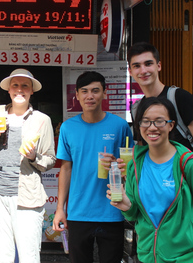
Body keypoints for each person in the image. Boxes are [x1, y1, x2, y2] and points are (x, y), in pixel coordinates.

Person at [107, 96, 193, 263]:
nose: (152, 128)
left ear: (171, 125)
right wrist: (126, 206)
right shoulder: (134, 165)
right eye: (145, 121)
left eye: (159, 121)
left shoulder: (190, 164)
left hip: (190, 257)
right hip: (148, 256)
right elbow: (134, 216)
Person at [52, 71, 134, 263]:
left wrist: (118, 165)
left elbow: (131, 169)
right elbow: (66, 168)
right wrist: (60, 209)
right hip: (79, 211)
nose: (90, 96)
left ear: (104, 93)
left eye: (96, 91)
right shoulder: (67, 127)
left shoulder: (120, 126)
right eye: (85, 91)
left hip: (113, 209)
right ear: (77, 96)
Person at [0, 68, 56, 263]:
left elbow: (50, 160)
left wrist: (33, 156)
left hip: (28, 198)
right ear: (9, 90)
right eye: (15, 85)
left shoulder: (42, 120)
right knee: (1, 256)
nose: (19, 90)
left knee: (29, 256)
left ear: (31, 91)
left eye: (25, 86)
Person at [127, 41, 193, 171]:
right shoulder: (136, 108)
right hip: (154, 182)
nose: (143, 70)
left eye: (148, 64)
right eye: (137, 66)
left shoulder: (180, 97)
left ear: (159, 66)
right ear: (130, 71)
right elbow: (142, 148)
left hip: (184, 179)